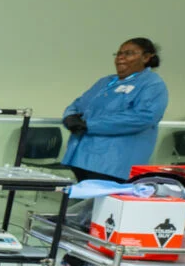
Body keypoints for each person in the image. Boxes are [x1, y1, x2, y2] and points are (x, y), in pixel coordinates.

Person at [62, 38, 168, 182]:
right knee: (85, 202)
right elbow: (79, 103)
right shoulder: (105, 82)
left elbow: (143, 117)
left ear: (146, 57)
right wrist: (69, 117)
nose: (121, 57)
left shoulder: (152, 84)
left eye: (128, 53)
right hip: (81, 158)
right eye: (118, 53)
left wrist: (89, 125)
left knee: (103, 203)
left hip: (113, 163)